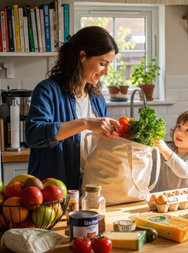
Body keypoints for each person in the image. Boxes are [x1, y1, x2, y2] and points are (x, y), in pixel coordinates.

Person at [26, 26, 121, 190]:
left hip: (91, 189)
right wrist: (86, 123)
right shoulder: (48, 90)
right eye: (102, 63)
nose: (106, 71)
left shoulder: (97, 98)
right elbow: (34, 135)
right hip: (53, 193)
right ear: (83, 56)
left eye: (108, 65)